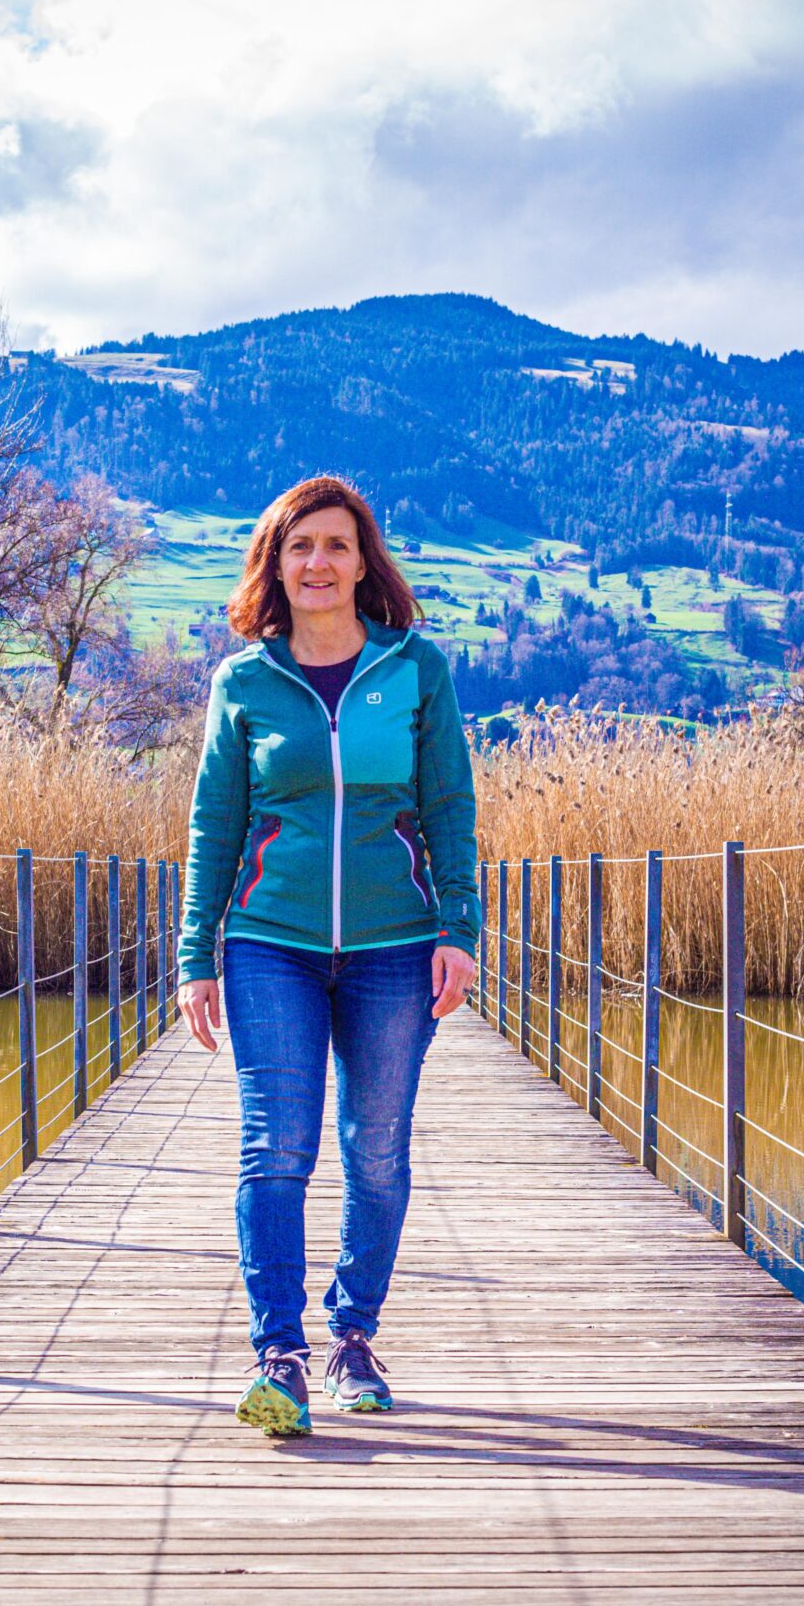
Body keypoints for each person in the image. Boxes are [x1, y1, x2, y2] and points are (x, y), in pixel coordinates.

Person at [173, 473, 482, 1437]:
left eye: (338, 545)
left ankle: (353, 1335)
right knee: (278, 1144)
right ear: (276, 560)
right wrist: (196, 954)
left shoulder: (416, 669)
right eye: (300, 545)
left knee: (377, 1150)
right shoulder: (244, 683)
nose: (319, 563)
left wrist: (460, 931)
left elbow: (448, 809)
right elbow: (214, 825)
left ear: (363, 561)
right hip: (271, 945)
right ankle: (281, 1353)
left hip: (396, 945)